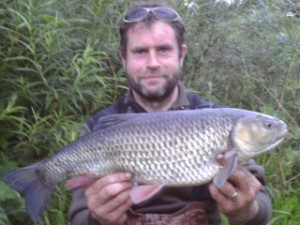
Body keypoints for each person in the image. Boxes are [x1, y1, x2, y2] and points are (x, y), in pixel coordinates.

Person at [69, 2, 272, 225]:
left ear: (181, 54)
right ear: (124, 58)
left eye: (163, 50)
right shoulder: (100, 126)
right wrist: (99, 219)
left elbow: (261, 207)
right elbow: (79, 217)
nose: (153, 63)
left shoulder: (216, 120)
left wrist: (245, 210)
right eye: (140, 52)